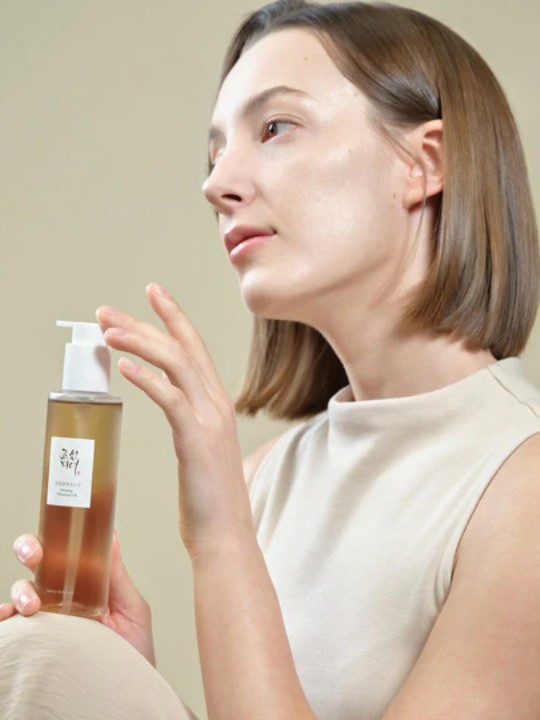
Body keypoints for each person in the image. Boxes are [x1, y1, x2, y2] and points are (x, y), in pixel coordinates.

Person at [2, 1, 540, 718]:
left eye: (275, 127)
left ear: (424, 164)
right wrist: (124, 687)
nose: (215, 184)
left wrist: (222, 538)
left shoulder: (523, 491)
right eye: (215, 153)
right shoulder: (264, 479)